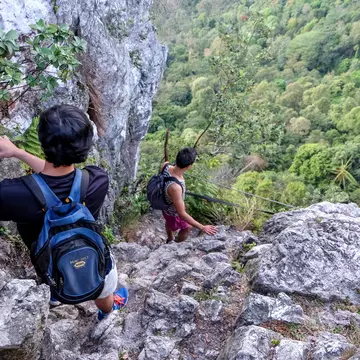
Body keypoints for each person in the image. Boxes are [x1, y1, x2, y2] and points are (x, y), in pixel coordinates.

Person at [0, 104, 127, 320]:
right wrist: (19, 153)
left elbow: (46, 181)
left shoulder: (12, 194)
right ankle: (107, 312)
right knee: (106, 286)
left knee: (52, 271)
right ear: (85, 146)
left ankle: (55, 296)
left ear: (42, 141)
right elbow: (57, 178)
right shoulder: (97, 179)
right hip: (91, 254)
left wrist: (17, 153)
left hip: (50, 266)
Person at [161, 147, 217, 243]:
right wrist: (202, 227)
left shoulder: (165, 165)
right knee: (187, 227)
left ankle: (170, 238)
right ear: (189, 166)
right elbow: (181, 214)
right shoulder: (176, 187)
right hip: (172, 211)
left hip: (164, 203)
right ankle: (176, 244)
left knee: (168, 221)